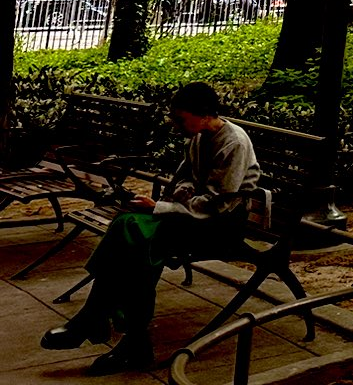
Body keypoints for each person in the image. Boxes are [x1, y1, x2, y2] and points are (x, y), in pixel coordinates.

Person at [42, 82, 262, 373]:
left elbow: (217, 204)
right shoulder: (198, 137)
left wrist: (160, 207)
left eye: (180, 118)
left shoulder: (232, 142)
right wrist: (166, 200)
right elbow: (184, 181)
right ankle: (120, 334)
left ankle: (102, 324)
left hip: (220, 226)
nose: (175, 125)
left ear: (204, 114)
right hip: (191, 217)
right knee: (127, 228)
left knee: (138, 242)